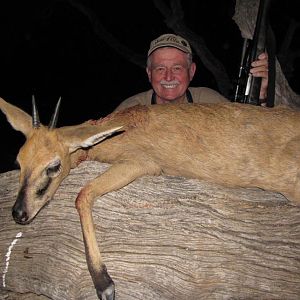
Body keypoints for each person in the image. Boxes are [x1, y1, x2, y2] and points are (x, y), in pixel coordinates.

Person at [114, 33, 269, 111]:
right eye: (160, 69)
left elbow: (247, 132)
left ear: (192, 71)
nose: (168, 77)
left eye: (177, 68)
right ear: (149, 73)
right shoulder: (130, 109)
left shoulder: (210, 102)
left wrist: (260, 95)